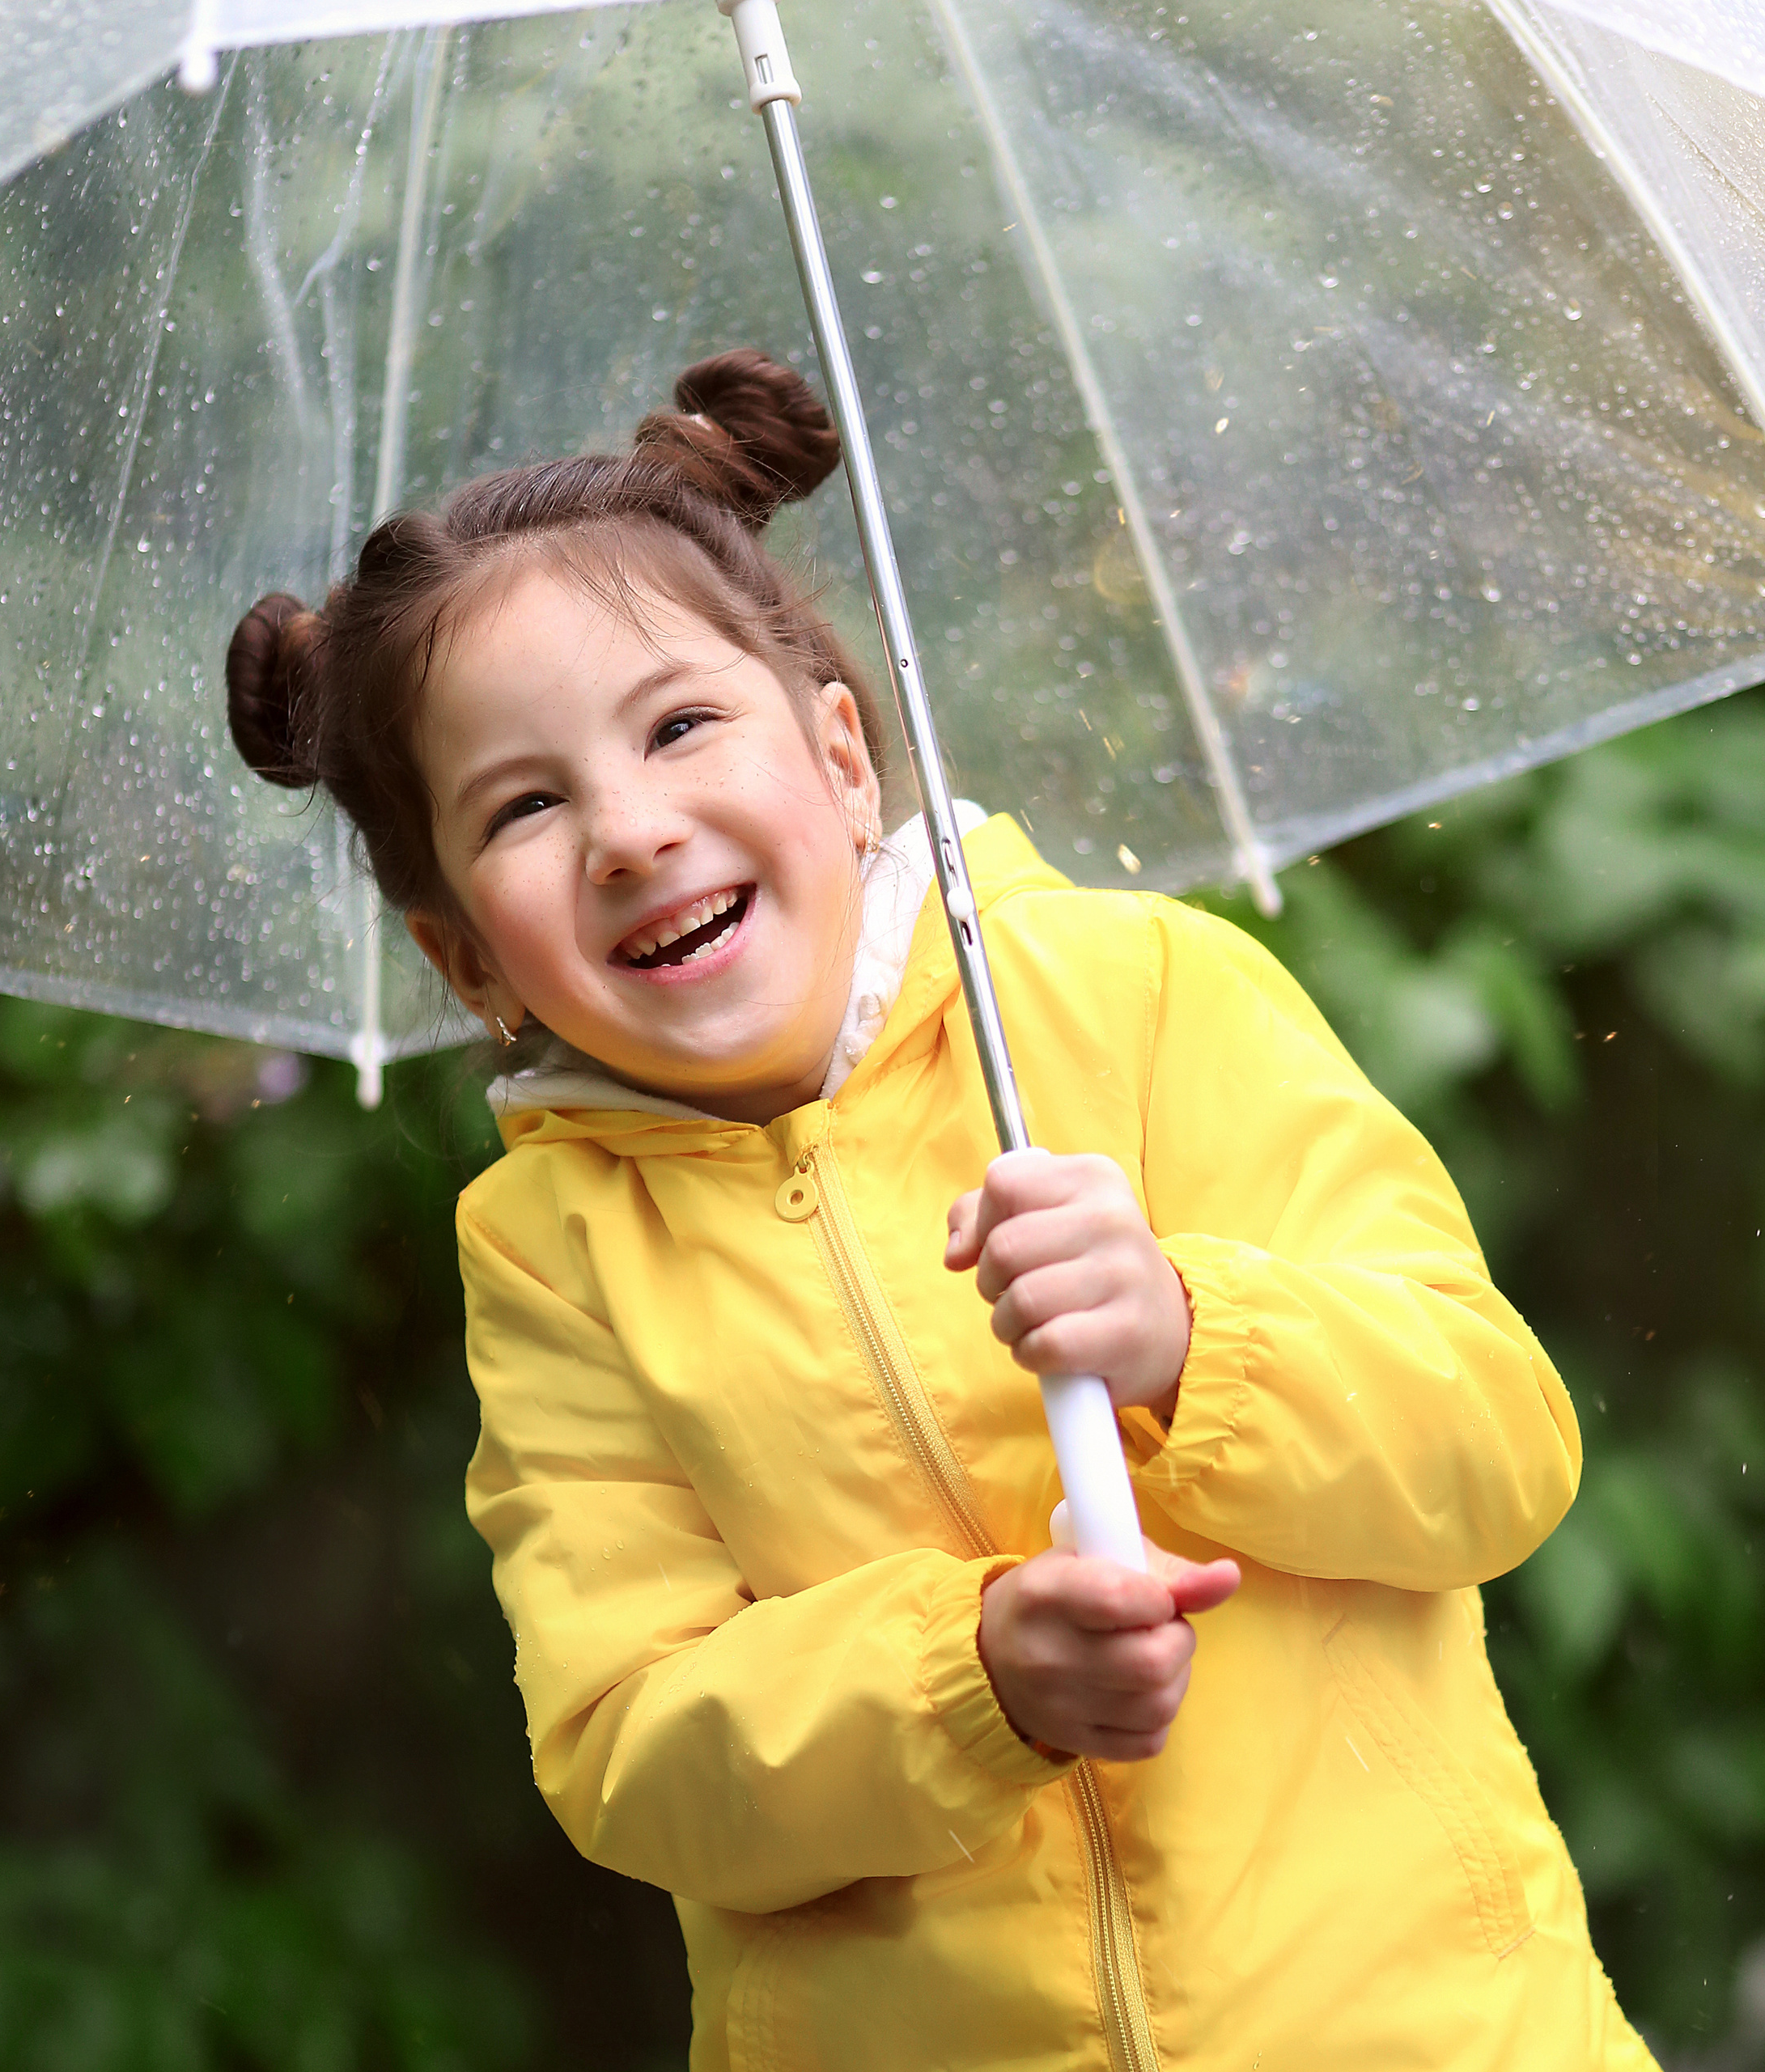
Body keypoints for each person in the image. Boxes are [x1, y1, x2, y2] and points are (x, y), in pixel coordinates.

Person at [225, 349, 1655, 2072]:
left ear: (839, 754)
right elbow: (634, 1745)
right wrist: (973, 1679)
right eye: (523, 808)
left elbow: (1494, 1442)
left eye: (681, 726)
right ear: (466, 961)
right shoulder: (557, 1258)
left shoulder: (1140, 997)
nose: (627, 831)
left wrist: (1195, 1338)